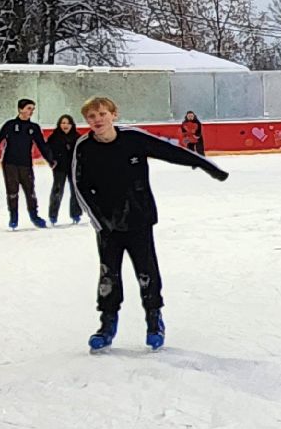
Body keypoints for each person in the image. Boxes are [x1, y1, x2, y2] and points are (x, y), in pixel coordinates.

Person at [72, 95, 229, 351]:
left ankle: (154, 319)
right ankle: (107, 323)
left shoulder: (133, 139)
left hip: (139, 219)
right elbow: (80, 186)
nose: (97, 120)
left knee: (147, 272)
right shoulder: (84, 147)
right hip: (108, 225)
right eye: (92, 116)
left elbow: (170, 152)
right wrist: (100, 222)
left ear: (114, 115)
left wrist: (204, 165)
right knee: (108, 275)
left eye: (102, 114)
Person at [0, 98, 53, 229]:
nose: (31, 111)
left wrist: (51, 160)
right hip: (10, 163)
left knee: (30, 191)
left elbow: (42, 145)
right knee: (12, 191)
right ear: (20, 109)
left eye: (33, 109)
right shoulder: (10, 125)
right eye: (28, 108)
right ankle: (13, 217)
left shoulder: (34, 127)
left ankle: (34, 216)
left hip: (26, 164)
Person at [43, 114, 84, 224]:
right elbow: (47, 151)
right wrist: (51, 161)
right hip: (59, 168)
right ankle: (53, 215)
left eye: (67, 123)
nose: (65, 125)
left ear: (72, 125)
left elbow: (82, 153)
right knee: (57, 190)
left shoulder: (77, 137)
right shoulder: (54, 137)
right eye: (63, 123)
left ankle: (76, 214)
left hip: (73, 168)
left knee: (75, 191)